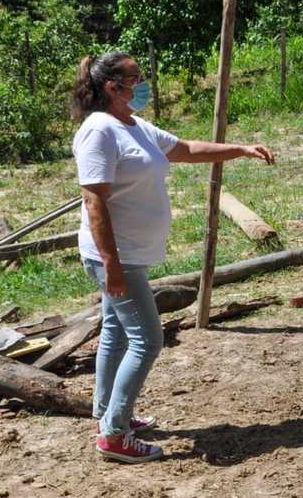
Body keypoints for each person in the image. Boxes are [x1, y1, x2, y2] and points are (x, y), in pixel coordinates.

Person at [72, 50, 275, 463]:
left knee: (116, 332)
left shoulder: (133, 125)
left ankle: (107, 414)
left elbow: (184, 148)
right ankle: (113, 436)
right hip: (116, 255)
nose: (142, 84)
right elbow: (94, 201)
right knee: (148, 340)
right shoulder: (100, 130)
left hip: (129, 253)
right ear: (112, 87)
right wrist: (111, 263)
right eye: (136, 78)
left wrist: (238, 148)